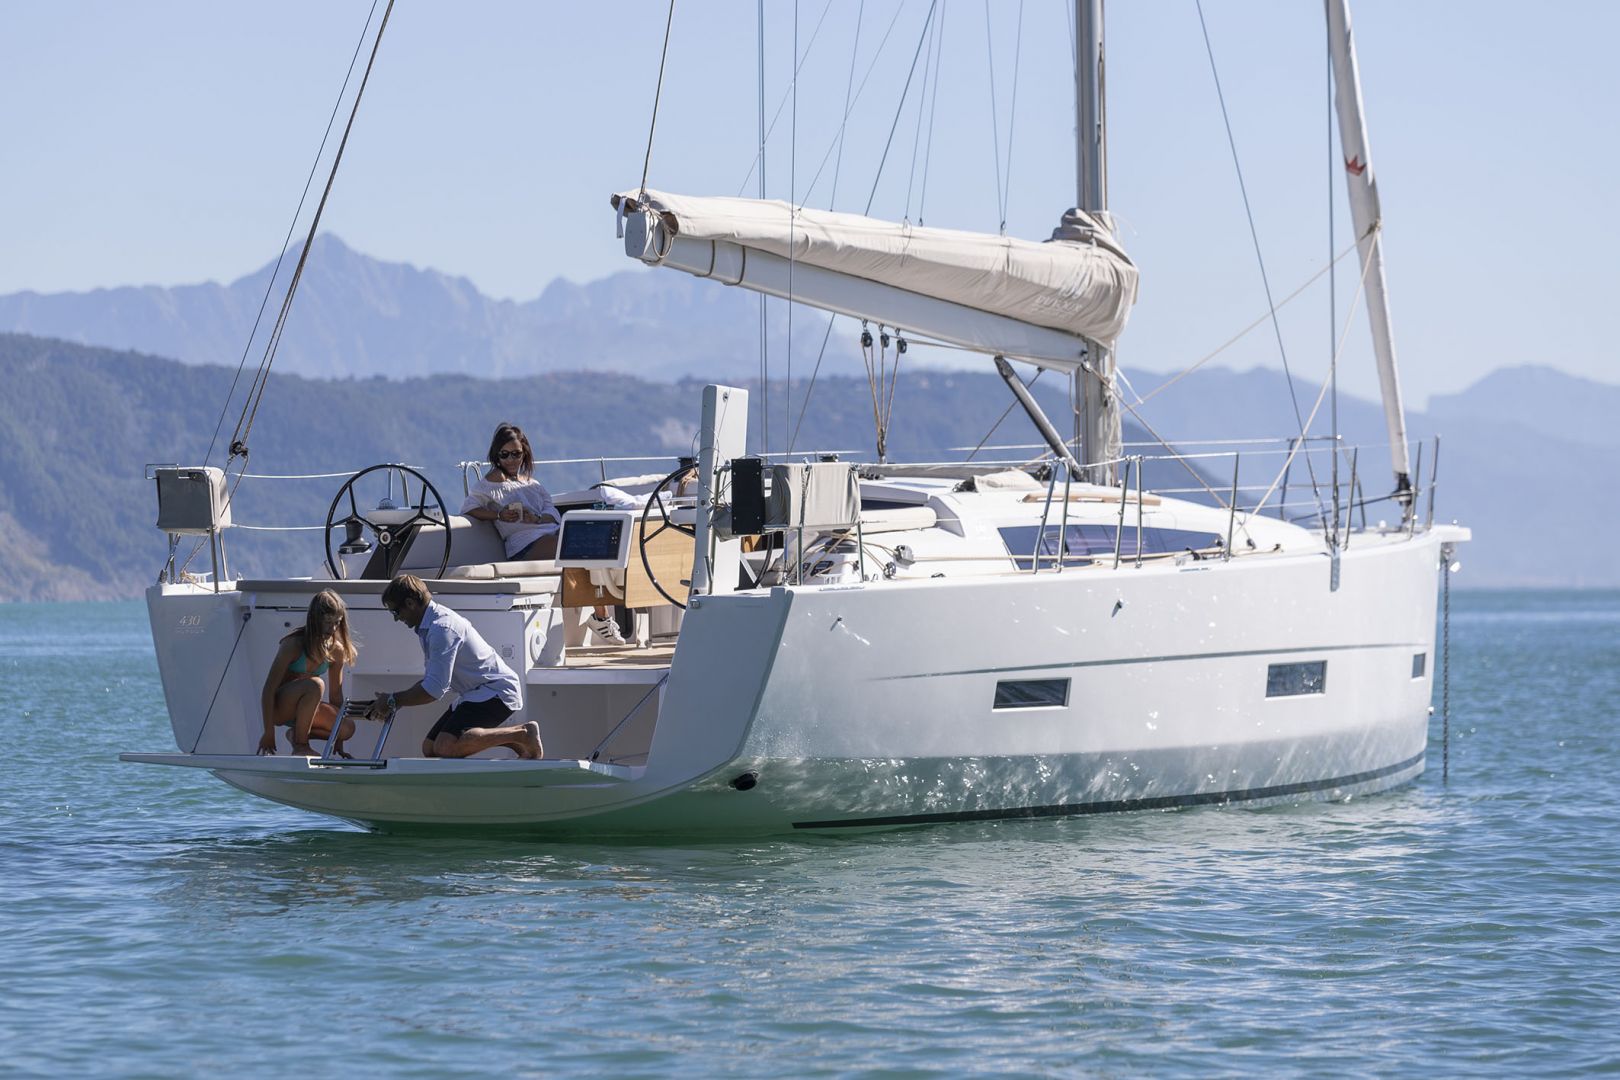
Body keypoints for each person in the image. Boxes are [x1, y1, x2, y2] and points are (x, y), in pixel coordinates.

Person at [462, 421, 628, 646]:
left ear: (525, 453)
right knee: (578, 546)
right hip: (523, 545)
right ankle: (601, 618)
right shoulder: (487, 486)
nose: (511, 460)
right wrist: (499, 515)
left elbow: (553, 514)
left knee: (598, 544)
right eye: (505, 454)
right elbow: (469, 509)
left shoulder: (534, 485)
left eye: (517, 454)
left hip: (549, 533)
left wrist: (537, 518)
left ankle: (602, 616)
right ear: (496, 455)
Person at [372, 573, 543, 760]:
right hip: (476, 693)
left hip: (496, 691)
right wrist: (394, 701)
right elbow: (431, 681)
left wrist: (393, 700)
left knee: (445, 747)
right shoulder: (429, 626)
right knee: (429, 748)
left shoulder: (441, 629)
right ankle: (518, 738)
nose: (397, 619)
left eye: (396, 612)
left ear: (411, 603)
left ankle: (523, 734)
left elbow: (434, 690)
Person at [258, 589, 359, 757]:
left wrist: (338, 740)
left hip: (307, 709)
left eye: (336, 622)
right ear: (315, 619)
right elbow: (268, 689)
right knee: (316, 684)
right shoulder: (293, 645)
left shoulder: (336, 650)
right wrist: (268, 732)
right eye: (327, 622)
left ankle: (295, 735)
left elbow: (336, 696)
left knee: (347, 728)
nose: (332, 628)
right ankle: (301, 745)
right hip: (282, 708)